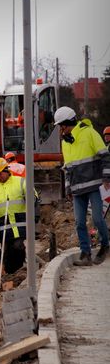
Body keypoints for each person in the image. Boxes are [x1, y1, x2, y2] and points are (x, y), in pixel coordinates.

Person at [53, 106, 110, 266]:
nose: (60, 130)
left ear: (66, 124)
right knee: (79, 222)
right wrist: (68, 188)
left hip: (93, 186)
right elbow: (68, 168)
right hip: (77, 190)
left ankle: (105, 245)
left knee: (98, 220)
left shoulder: (89, 133)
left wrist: (106, 177)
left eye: (60, 126)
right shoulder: (66, 142)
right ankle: (86, 254)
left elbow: (105, 156)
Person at [0, 157, 30, 274]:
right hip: (4, 229)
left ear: (6, 171)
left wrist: (34, 212)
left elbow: (33, 196)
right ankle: (11, 274)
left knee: (18, 246)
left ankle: (19, 271)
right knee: (7, 251)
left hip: (20, 226)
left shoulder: (20, 182)